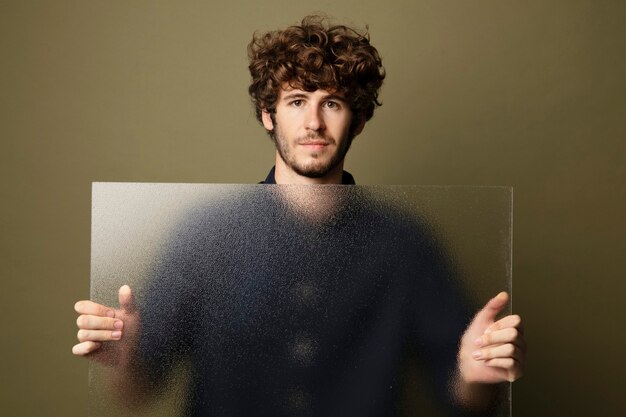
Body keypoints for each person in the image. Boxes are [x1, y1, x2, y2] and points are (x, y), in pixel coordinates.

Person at [73, 15, 526, 416]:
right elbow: (136, 392)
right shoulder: (206, 236)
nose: (314, 122)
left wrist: (474, 371)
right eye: (296, 101)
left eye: (332, 102)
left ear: (358, 121)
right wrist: (123, 358)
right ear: (269, 116)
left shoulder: (404, 244)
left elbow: (466, 400)